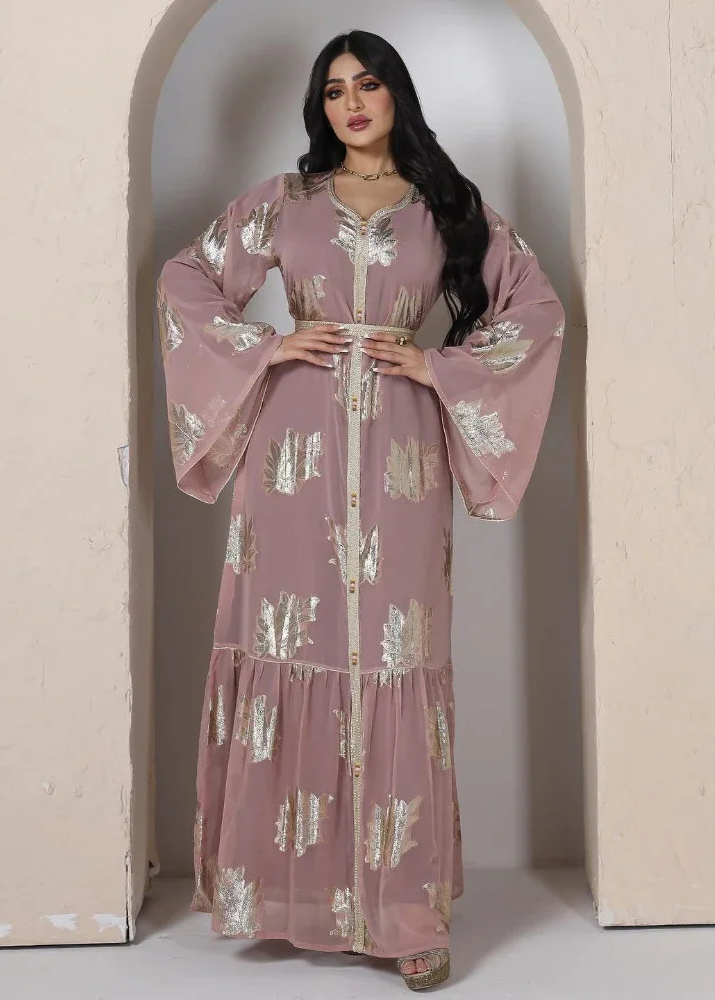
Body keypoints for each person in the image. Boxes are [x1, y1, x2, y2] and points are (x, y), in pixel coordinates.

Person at [156, 28, 565, 992]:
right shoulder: (285, 201)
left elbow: (535, 309)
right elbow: (185, 279)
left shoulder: (448, 207)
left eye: (368, 84)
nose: (351, 102)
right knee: (291, 643)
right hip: (292, 458)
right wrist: (268, 347)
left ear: (396, 96)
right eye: (334, 89)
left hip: (401, 456)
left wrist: (438, 364)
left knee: (393, 656)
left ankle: (406, 914)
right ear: (321, 107)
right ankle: (280, 893)